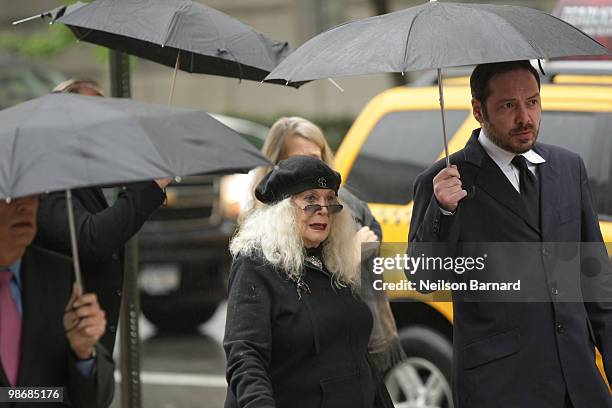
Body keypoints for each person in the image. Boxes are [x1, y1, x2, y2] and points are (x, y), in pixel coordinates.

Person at [409, 60, 612, 408]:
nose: (525, 117)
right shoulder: (444, 182)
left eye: (532, 102)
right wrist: (443, 211)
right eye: (508, 106)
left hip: (579, 384)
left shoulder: (568, 168)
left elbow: (597, 286)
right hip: (500, 389)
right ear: (478, 109)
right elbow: (423, 278)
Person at [224, 156, 393, 408]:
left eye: (329, 199)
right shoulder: (255, 264)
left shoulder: (336, 259)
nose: (323, 209)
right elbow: (245, 357)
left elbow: (357, 357)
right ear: (282, 210)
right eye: (310, 199)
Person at [248, 116, 404, 375]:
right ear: (278, 167)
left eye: (316, 157)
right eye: (300, 159)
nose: (312, 167)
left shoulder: (347, 207)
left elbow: (373, 235)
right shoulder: (259, 231)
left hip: (354, 349)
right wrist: (348, 257)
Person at [34, 79, 171, 353]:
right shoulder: (45, 175)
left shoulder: (83, 172)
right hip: (52, 352)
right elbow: (91, 239)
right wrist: (150, 186)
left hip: (86, 352)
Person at [0, 195, 114, 407]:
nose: (25, 206)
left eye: (31, 194)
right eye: (8, 197)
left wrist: (83, 352)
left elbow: (88, 400)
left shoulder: (60, 274)